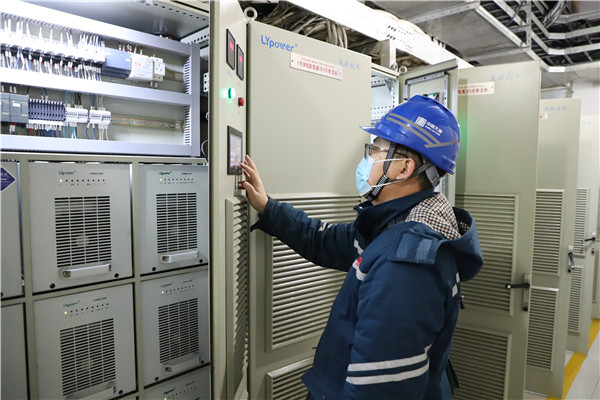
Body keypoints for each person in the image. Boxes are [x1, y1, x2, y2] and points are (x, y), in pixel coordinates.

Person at [241, 95, 483, 399]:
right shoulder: (393, 225)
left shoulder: (406, 264)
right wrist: (267, 207)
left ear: (403, 168)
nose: (367, 160)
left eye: (376, 150)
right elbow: (323, 240)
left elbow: (377, 389)